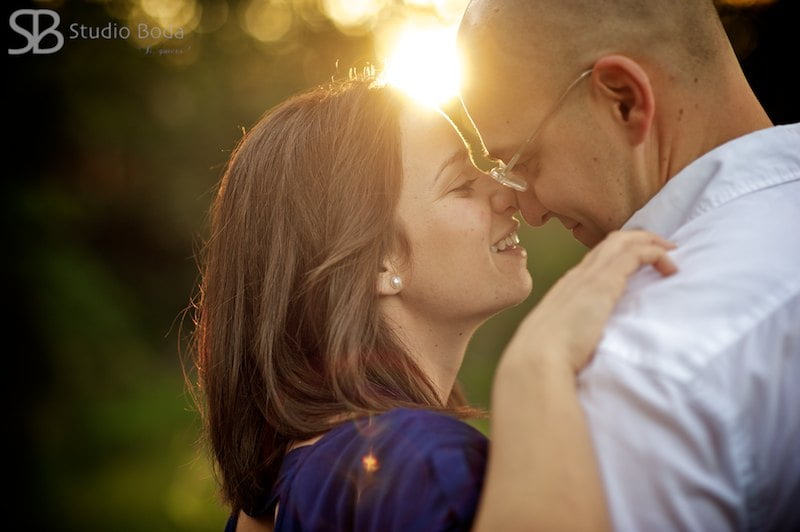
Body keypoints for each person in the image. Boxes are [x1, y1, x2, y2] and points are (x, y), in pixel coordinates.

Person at [190, 75, 677, 531]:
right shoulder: (419, 465)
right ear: (378, 263)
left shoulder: (280, 490)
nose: (509, 193)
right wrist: (539, 364)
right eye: (463, 184)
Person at [458, 0, 800, 530]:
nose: (527, 208)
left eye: (525, 161)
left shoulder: (648, 367)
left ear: (624, 100)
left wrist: (531, 369)